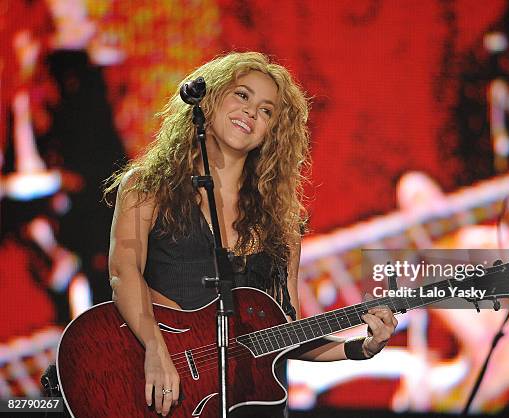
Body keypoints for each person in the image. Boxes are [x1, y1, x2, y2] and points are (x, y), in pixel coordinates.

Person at [104, 51, 398, 417]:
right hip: (166, 393)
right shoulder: (147, 186)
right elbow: (123, 272)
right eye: (242, 95)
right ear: (210, 99)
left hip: (253, 400)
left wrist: (359, 347)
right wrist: (155, 349)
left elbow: (286, 333)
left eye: (266, 110)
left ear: (271, 132)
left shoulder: (281, 220)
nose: (251, 113)